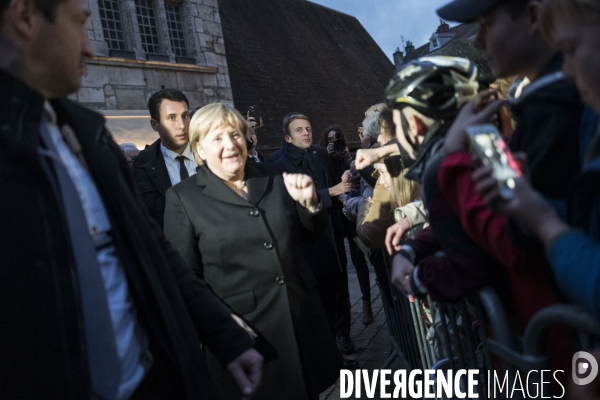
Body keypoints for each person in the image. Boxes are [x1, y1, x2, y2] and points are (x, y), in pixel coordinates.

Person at [0, 0, 263, 398]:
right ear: (24, 17)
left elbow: (152, 249)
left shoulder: (86, 136)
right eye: (80, 25)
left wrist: (223, 333)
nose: (91, 48)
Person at [163, 103, 342, 399]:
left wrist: (310, 204)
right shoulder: (183, 198)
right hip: (247, 336)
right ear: (200, 149)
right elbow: (183, 278)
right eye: (216, 138)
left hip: (301, 322)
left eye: (235, 134)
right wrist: (219, 321)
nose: (230, 144)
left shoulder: (272, 174)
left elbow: (311, 233)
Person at [469, 0, 600, 320]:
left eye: (568, 48)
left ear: (530, 15)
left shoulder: (562, 109)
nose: (566, 70)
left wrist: (542, 221)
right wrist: (533, 206)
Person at [271, 112, 358, 357]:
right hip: (307, 240)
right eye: (299, 130)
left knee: (340, 288)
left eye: (308, 128)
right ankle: (327, 349)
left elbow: (336, 182)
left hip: (332, 231)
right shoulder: (277, 163)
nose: (306, 133)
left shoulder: (321, 153)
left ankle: (345, 337)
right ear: (288, 137)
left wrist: (344, 176)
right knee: (319, 296)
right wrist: (331, 191)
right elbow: (287, 202)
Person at [321, 125, 373, 325]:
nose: (336, 143)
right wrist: (326, 157)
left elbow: (360, 179)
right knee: (340, 263)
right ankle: (345, 307)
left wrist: (347, 159)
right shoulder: (322, 159)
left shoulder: (349, 158)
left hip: (352, 212)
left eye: (339, 139)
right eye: (331, 140)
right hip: (334, 214)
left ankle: (367, 302)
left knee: (358, 258)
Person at [132, 89, 198, 228]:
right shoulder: (139, 170)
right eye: (171, 118)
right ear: (155, 124)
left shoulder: (212, 156)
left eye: (185, 116)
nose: (182, 125)